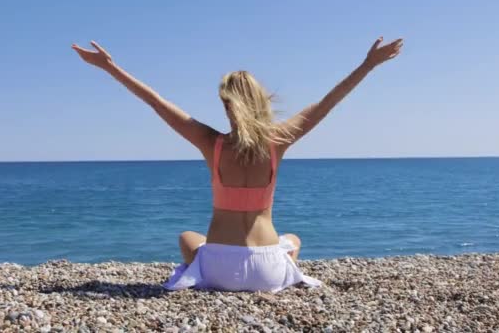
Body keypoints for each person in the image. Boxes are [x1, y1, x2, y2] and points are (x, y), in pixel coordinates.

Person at [72, 37, 403, 292]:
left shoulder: (211, 143)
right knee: (294, 239)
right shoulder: (279, 140)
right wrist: (368, 64)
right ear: (260, 103)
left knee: (188, 237)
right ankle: (282, 272)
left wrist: (110, 68)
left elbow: (157, 103)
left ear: (227, 105)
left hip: (219, 269)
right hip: (267, 270)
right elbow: (327, 103)